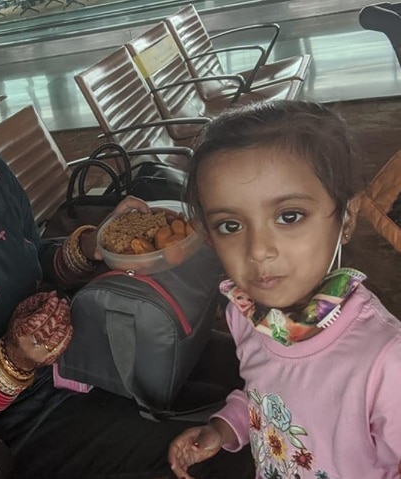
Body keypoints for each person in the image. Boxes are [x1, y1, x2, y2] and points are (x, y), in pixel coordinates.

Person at [0, 22, 250, 478]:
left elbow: (32, 261)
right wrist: (14, 359)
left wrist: (92, 246)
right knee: (219, 460)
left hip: (82, 356)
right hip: (16, 430)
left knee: (250, 381)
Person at [167, 100, 401, 478]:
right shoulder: (247, 317)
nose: (259, 250)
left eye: (288, 216)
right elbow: (268, 396)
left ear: (347, 218)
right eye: (230, 225)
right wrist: (225, 427)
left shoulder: (386, 359)